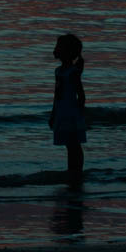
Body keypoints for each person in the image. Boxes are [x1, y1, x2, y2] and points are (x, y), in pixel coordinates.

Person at [49, 33, 87, 183]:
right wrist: (53, 114)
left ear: (68, 51)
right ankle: (72, 170)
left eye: (59, 47)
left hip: (71, 112)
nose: (56, 49)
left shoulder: (73, 72)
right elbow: (56, 95)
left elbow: (81, 95)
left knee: (74, 144)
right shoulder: (58, 71)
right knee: (68, 144)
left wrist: (79, 112)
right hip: (61, 111)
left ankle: (77, 171)